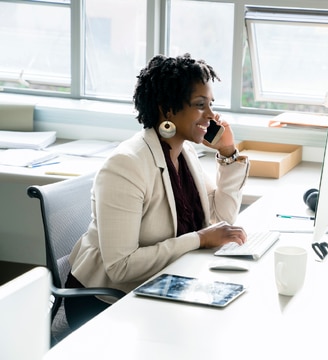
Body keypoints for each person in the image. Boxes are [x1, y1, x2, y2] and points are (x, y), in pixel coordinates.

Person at [64, 54, 250, 329]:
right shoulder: (126, 165)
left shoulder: (184, 154)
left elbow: (223, 218)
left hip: (161, 284)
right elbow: (120, 267)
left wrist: (227, 152)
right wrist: (199, 239)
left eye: (211, 105)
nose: (211, 116)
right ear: (168, 110)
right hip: (106, 302)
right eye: (200, 105)